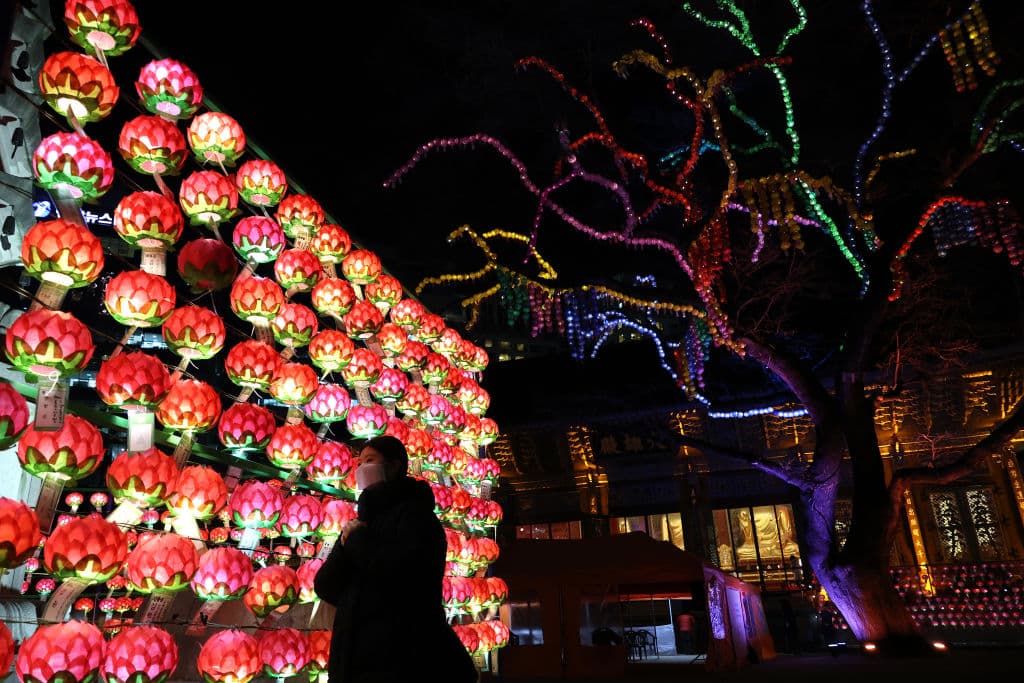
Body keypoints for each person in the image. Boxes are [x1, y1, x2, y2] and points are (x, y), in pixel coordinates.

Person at [313, 435, 478, 683]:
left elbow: (400, 576)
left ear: (394, 465)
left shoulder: (417, 517)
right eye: (359, 463)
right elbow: (326, 586)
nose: (361, 469)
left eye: (369, 460)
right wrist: (347, 545)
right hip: (355, 656)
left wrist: (356, 542)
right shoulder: (362, 521)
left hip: (402, 656)